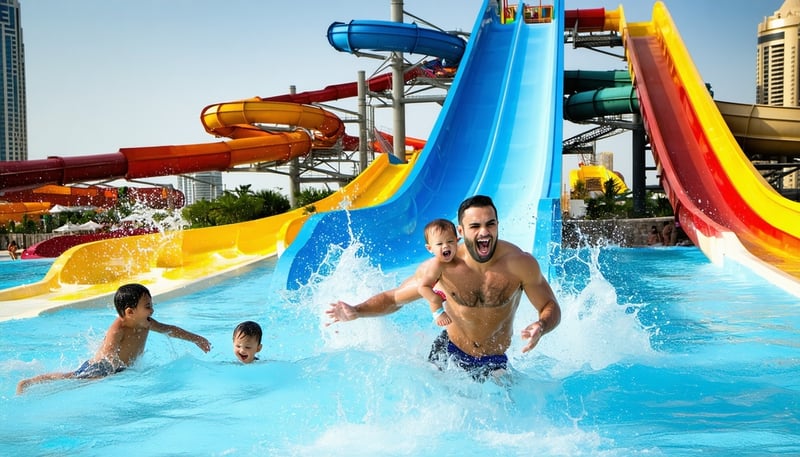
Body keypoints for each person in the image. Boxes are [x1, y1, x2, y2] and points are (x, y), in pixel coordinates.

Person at [327, 195, 561, 381]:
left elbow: (550, 306)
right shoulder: (441, 267)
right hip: (449, 353)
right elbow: (394, 298)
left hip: (494, 359)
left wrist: (541, 325)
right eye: (475, 226)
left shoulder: (520, 264)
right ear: (460, 232)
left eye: (490, 224)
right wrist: (357, 310)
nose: (484, 232)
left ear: (498, 225)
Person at [17, 283, 211, 394]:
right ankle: (31, 381)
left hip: (122, 369)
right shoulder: (117, 328)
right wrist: (103, 378)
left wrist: (195, 339)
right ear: (130, 311)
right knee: (73, 379)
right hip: (103, 368)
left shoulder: (146, 321)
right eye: (148, 306)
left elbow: (169, 329)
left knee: (73, 378)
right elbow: (109, 354)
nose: (152, 310)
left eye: (151, 305)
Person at [417, 218, 460, 327]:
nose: (445, 246)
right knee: (434, 295)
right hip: (439, 292)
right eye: (439, 244)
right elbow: (423, 287)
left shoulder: (460, 256)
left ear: (457, 241)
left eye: (450, 241)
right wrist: (436, 301)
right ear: (430, 248)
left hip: (453, 290)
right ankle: (438, 313)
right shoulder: (437, 265)